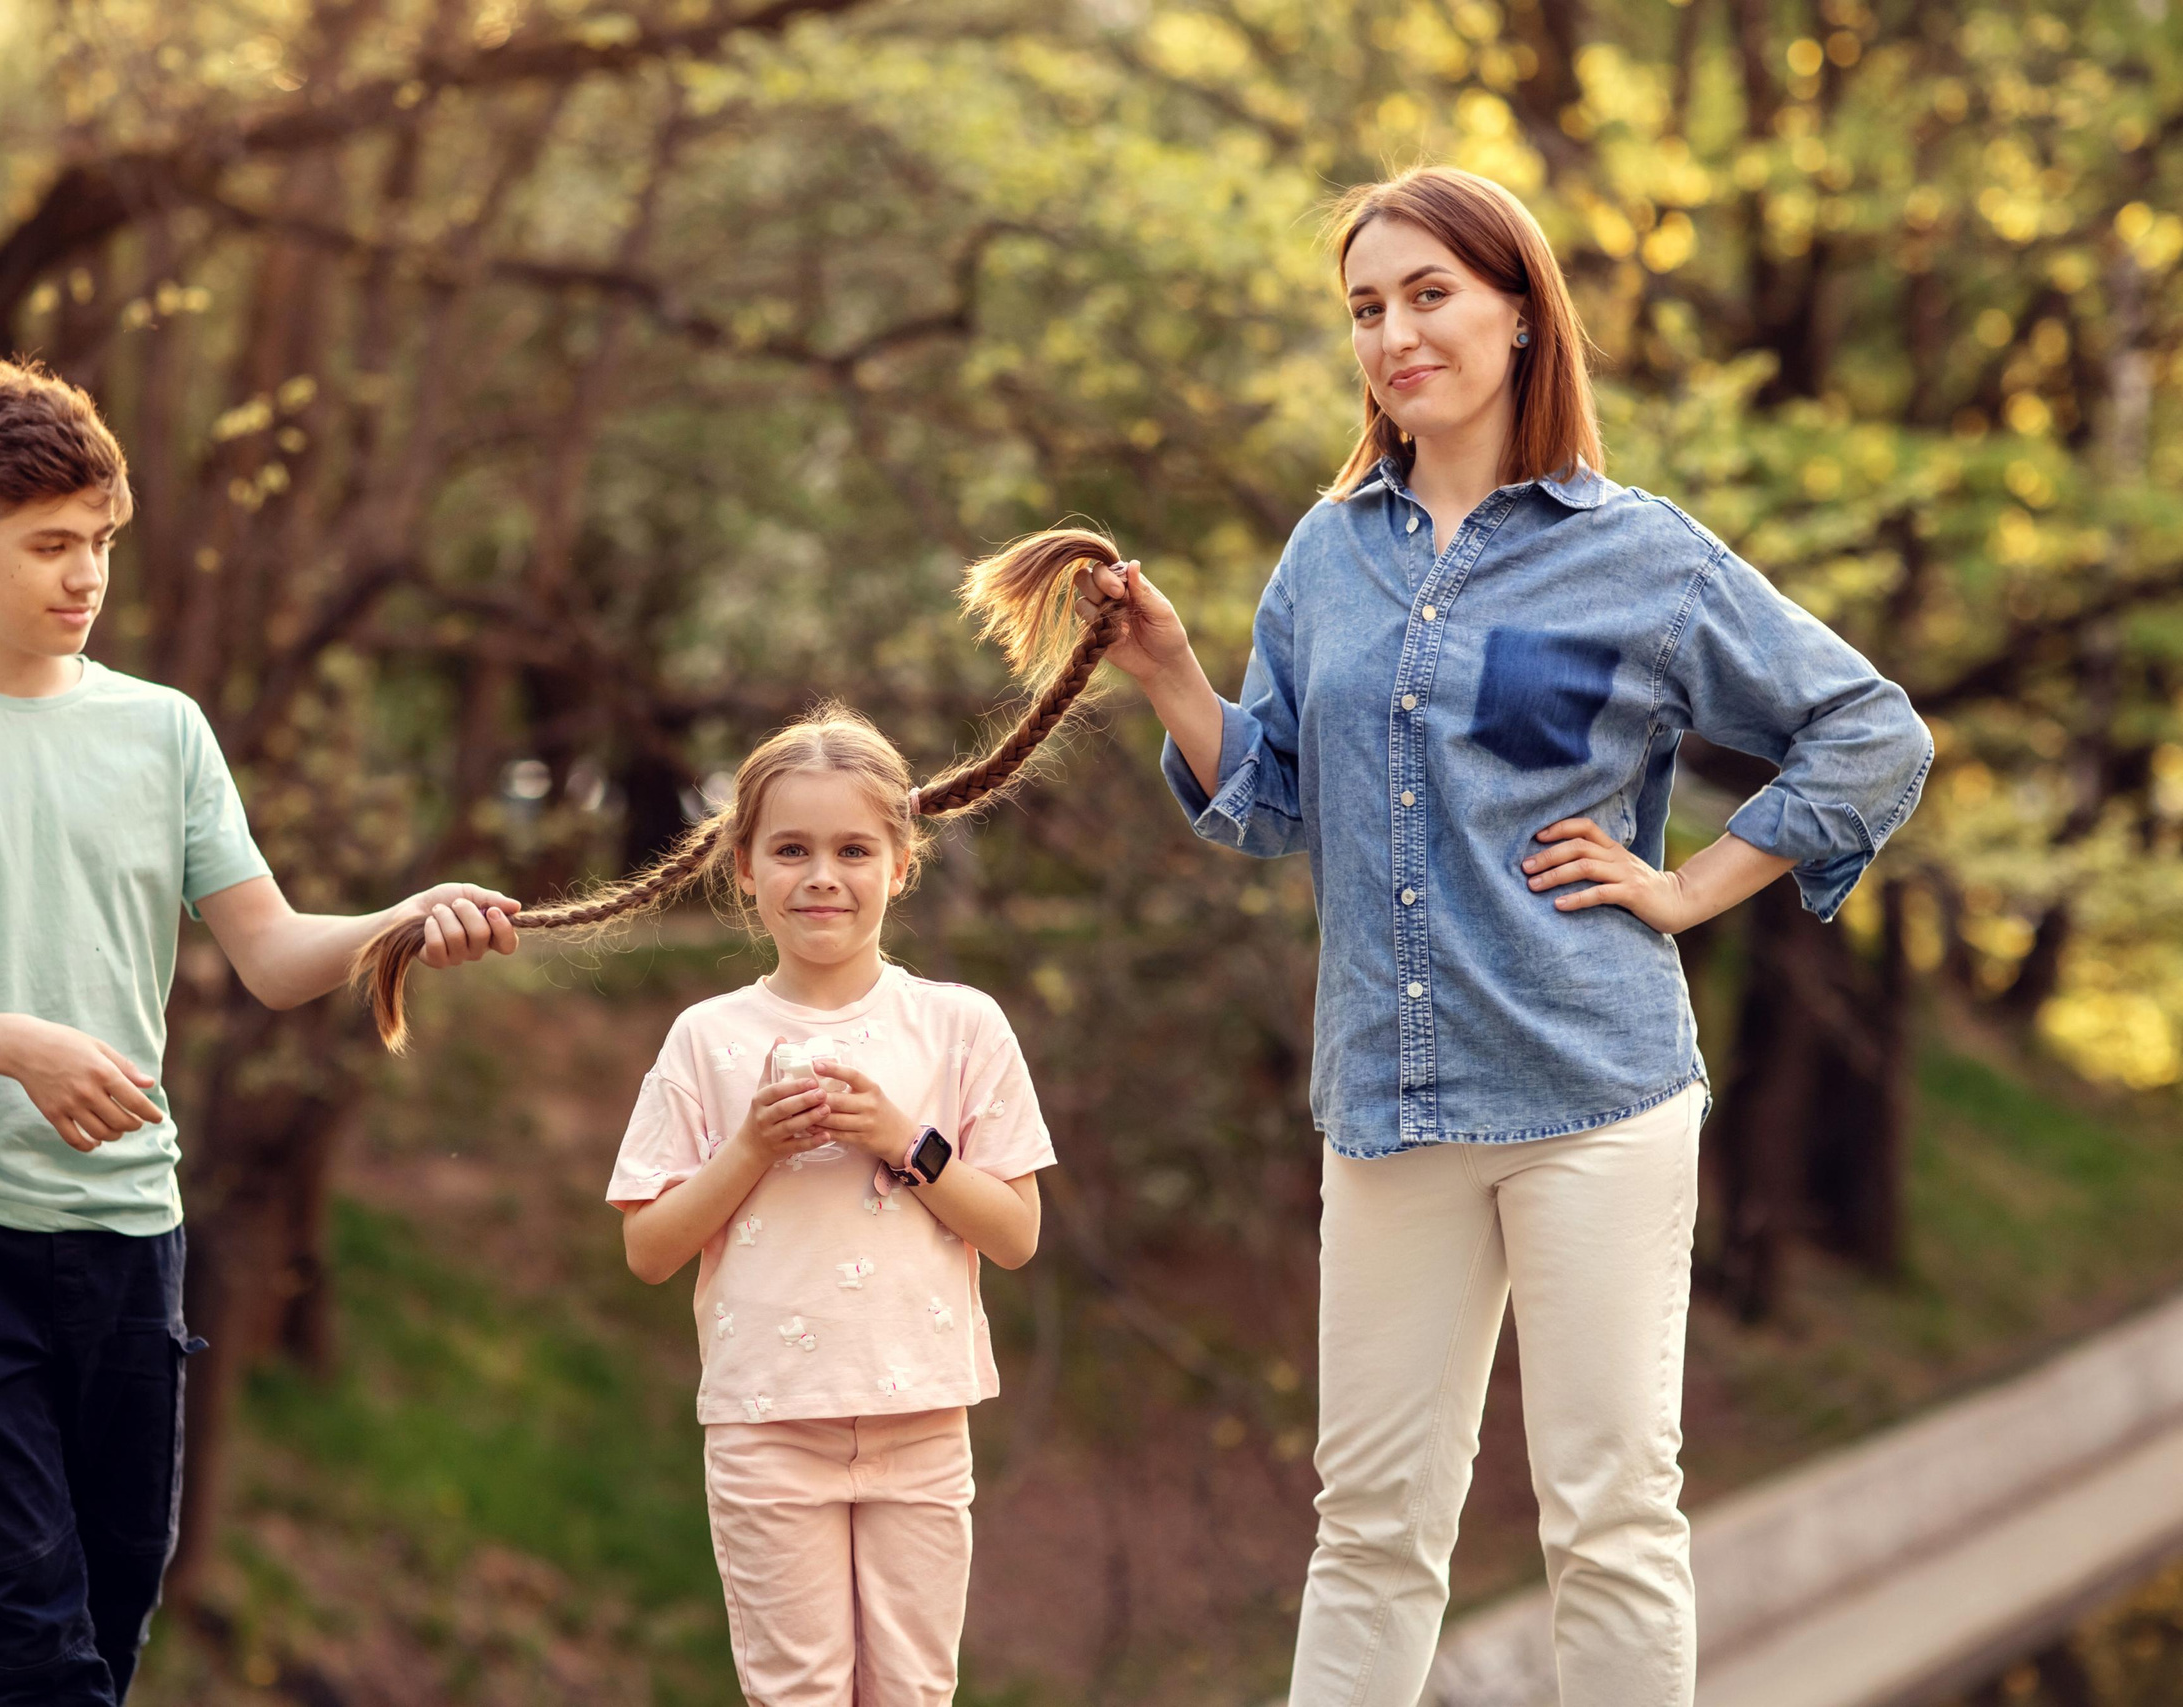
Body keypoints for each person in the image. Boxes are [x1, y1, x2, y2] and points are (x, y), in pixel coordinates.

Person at [1082, 167, 1934, 1706]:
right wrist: (1172, 675)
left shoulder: (1644, 556)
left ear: (1521, 315)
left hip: (1593, 1090)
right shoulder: (1327, 554)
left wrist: (1686, 886)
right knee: (1371, 1527)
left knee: (1609, 1519)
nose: (1395, 333)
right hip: (1389, 1102)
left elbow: (1870, 731)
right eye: (1366, 307)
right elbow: (1271, 800)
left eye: (1429, 295)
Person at [0, 358, 519, 1706]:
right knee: (36, 1648)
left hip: (129, 1236)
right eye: (50, 546)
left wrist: (401, 918)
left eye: (102, 542)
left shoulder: (163, 732)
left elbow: (276, 951)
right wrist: (20, 1042)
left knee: (108, 1636)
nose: (86, 576)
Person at [352, 531, 1123, 1706]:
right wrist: (754, 1148)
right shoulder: (709, 1040)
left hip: (922, 1421)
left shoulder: (962, 1026)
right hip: (767, 1428)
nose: (825, 876)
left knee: (913, 1692)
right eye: (792, 850)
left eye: (854, 849)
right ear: (744, 870)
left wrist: (901, 1142)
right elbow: (649, 1248)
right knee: (796, 1692)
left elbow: (1012, 1235)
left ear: (900, 866)